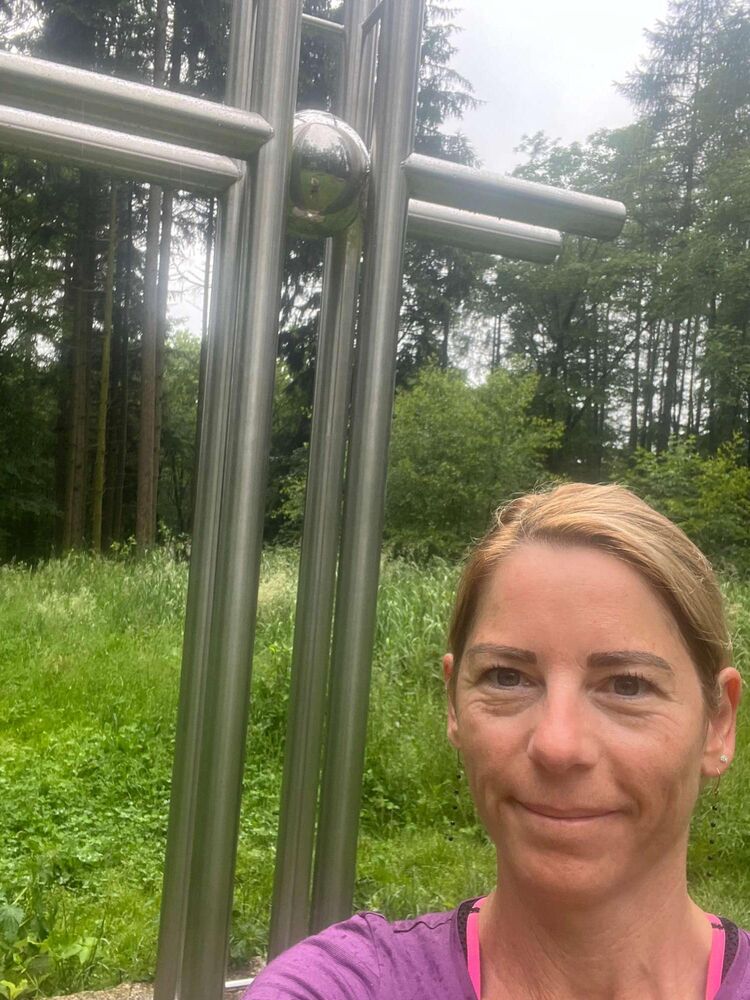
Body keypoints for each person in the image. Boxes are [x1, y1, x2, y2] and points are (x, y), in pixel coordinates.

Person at [245, 483, 748, 999]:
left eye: (627, 685)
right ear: (453, 703)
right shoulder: (347, 986)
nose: (557, 745)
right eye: (507, 678)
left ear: (717, 723)